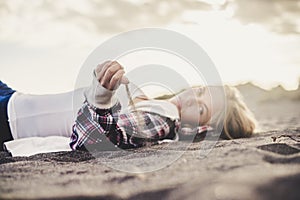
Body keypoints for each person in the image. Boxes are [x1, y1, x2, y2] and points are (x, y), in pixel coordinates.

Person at [0, 61, 257, 152]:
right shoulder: (154, 104)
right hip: (13, 97)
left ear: (201, 127)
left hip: (7, 118)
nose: (190, 98)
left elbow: (101, 138)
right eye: (200, 91)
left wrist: (100, 102)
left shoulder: (162, 120)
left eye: (200, 108)